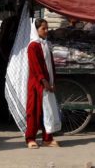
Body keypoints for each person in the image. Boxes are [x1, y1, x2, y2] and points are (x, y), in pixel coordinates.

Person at [26, 18, 59, 149]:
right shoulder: (33, 46)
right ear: (36, 30)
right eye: (43, 29)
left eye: (47, 28)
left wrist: (53, 81)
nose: (46, 31)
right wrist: (44, 81)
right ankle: (30, 138)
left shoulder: (46, 45)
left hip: (47, 83)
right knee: (34, 111)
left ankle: (47, 138)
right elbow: (36, 66)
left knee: (48, 110)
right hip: (36, 84)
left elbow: (51, 65)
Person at [0, 15, 19, 123]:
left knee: (8, 89)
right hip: (5, 61)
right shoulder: (10, 23)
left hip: (8, 59)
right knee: (2, 88)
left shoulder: (13, 23)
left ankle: (8, 115)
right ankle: (4, 115)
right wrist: (8, 59)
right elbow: (2, 43)